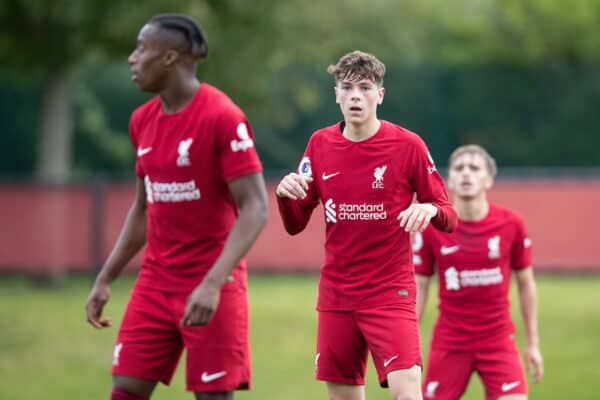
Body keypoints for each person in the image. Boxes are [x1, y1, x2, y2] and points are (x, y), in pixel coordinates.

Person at [85, 14, 268, 400]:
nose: (133, 59)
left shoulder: (222, 116)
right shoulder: (142, 121)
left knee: (213, 396)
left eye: (142, 48)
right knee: (125, 390)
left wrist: (213, 283)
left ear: (170, 58)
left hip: (213, 282)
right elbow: (143, 207)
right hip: (155, 283)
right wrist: (105, 277)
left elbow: (255, 207)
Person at [276, 50, 457, 400]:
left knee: (408, 395)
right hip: (337, 295)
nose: (356, 95)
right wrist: (285, 197)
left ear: (380, 95)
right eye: (347, 87)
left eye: (364, 87)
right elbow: (296, 224)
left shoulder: (408, 145)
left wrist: (430, 211)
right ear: (337, 94)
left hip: (391, 293)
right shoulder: (319, 144)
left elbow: (448, 214)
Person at [414, 145, 544, 400]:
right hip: (450, 341)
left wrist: (532, 344)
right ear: (449, 179)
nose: (466, 174)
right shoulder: (432, 227)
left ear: (488, 180)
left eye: (474, 168)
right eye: (459, 168)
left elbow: (526, 284)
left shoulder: (511, 224)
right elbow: (419, 286)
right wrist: (408, 343)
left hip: (498, 340)